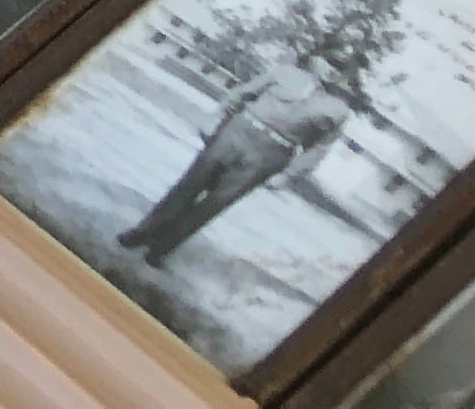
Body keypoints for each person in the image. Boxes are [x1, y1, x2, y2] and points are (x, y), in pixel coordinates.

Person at [115, 50, 352, 265]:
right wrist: (214, 118)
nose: (332, 70)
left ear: (343, 77)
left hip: (271, 153)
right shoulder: (284, 72)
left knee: (216, 202)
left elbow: (319, 149)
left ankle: (162, 248)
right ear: (316, 60)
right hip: (237, 132)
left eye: (339, 68)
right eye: (330, 61)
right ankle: (143, 231)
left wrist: (288, 176)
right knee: (190, 183)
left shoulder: (338, 111)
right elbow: (242, 93)